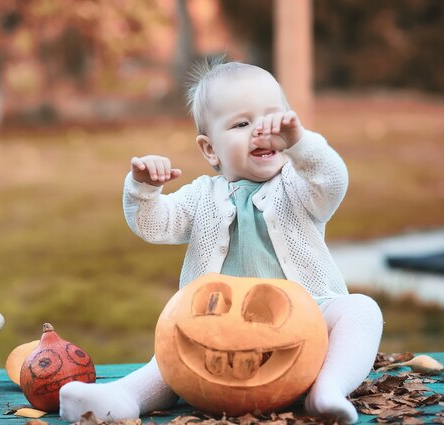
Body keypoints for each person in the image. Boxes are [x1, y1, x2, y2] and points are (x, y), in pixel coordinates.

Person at [59, 59, 383, 424]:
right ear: (210, 149)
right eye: (242, 124)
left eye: (273, 120)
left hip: (307, 316)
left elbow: (332, 181)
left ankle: (329, 389)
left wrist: (302, 144)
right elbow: (153, 225)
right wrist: (144, 189)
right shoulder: (200, 197)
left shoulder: (299, 187)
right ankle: (119, 398)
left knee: (361, 311)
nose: (261, 132)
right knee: (173, 352)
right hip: (214, 324)